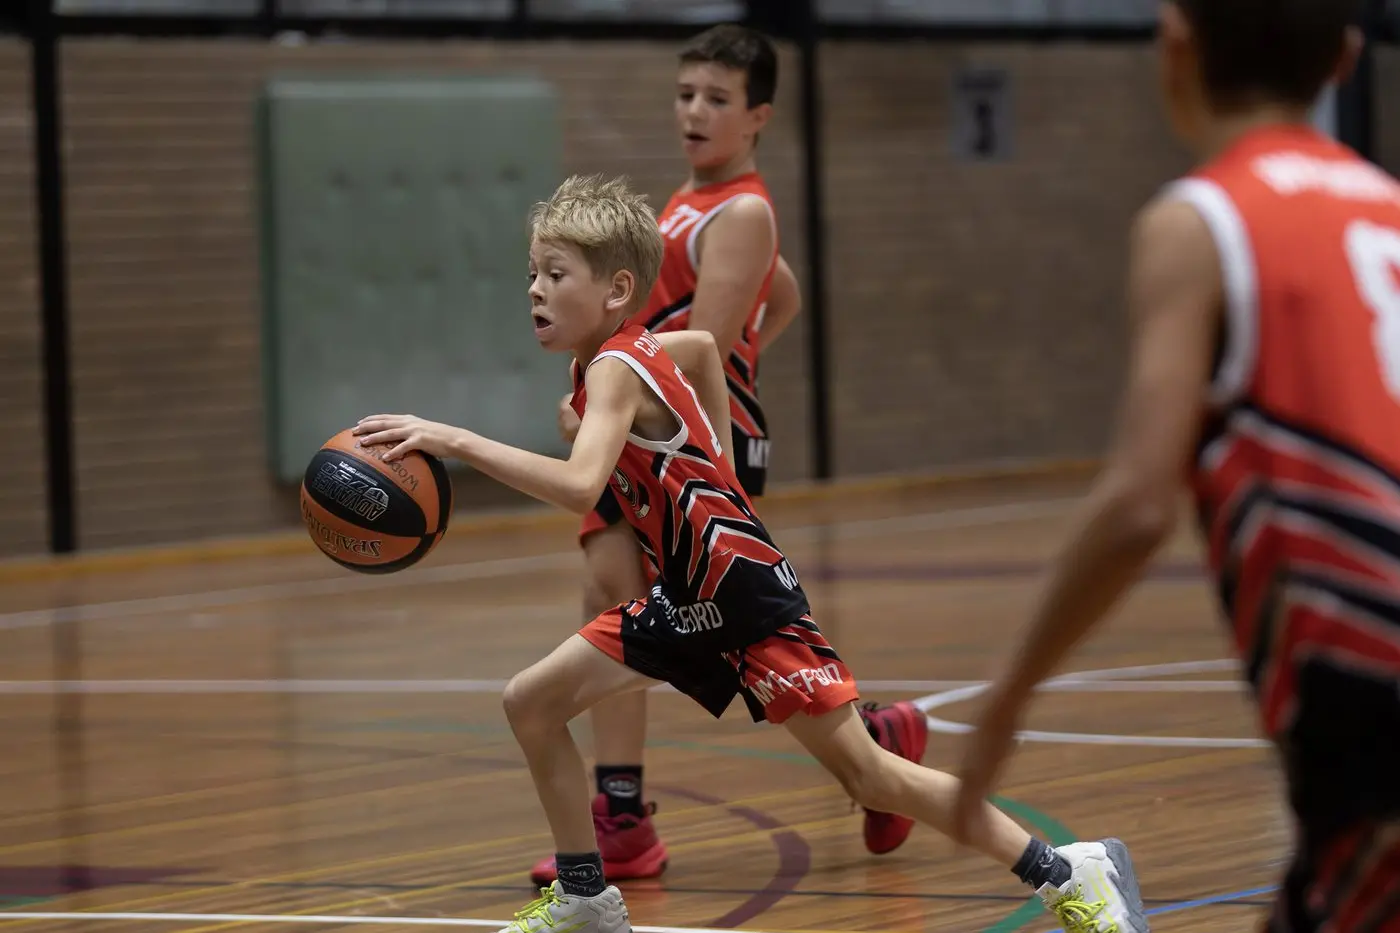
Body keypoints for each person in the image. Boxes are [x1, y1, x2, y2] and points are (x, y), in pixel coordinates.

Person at [353, 173, 1148, 933]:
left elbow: (579, 483)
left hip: (743, 596)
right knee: (531, 700)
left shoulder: (616, 366)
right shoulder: (633, 348)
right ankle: (587, 898)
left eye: (555, 273)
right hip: (690, 598)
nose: (533, 288)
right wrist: (717, 467)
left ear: (617, 290)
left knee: (871, 774)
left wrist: (453, 437)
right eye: (531, 271)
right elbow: (701, 350)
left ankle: (1067, 869)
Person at [949, 2, 1396, 931]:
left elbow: (1139, 505)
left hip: (1370, 711)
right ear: (1348, 59)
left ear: (1175, 45)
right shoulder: (1389, 209)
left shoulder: (1202, 222)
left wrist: (1006, 699)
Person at [544, 22, 928, 886]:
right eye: (685, 94)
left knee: (706, 634)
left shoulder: (742, 207)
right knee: (617, 599)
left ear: (757, 117)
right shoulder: (687, 202)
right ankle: (626, 815)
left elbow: (706, 338)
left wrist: (616, 383)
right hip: (645, 427)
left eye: (717, 99)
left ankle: (870, 749)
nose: (694, 111)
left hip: (685, 443)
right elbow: (776, 295)